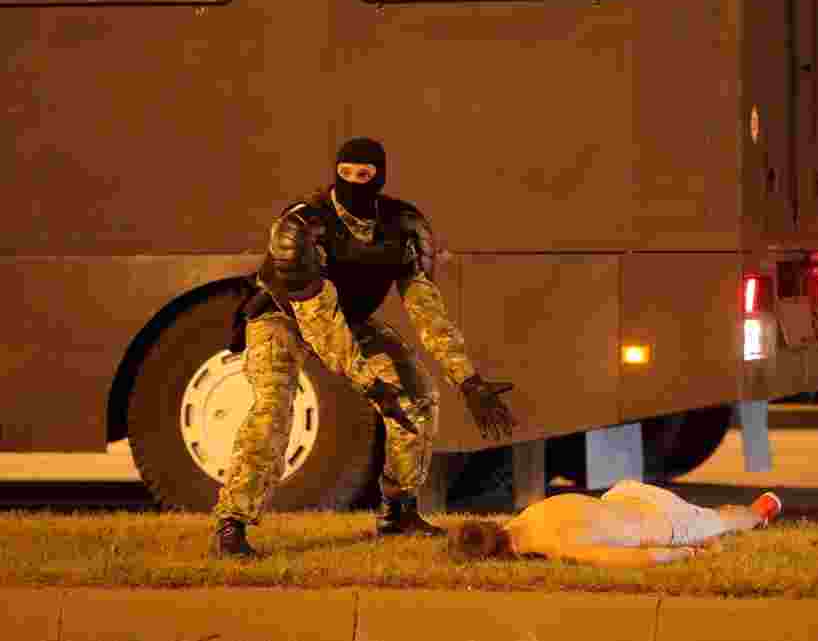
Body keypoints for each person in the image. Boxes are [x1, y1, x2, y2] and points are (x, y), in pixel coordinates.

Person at [212, 137, 518, 558]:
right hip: (283, 317)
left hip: (350, 319)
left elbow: (427, 311)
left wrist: (468, 381)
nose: (356, 182)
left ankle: (399, 512)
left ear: (381, 176)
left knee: (416, 395)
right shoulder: (302, 226)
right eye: (347, 174)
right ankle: (232, 523)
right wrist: (369, 383)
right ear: (335, 173)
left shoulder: (403, 227)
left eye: (365, 174)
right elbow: (319, 322)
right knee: (272, 409)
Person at [449, 480, 781, 569]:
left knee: (723, 520)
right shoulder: (526, 516)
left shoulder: (553, 544)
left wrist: (682, 555)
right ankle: (714, 532)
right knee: (707, 521)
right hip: (623, 494)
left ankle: (761, 509)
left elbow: (629, 559)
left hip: (663, 521)